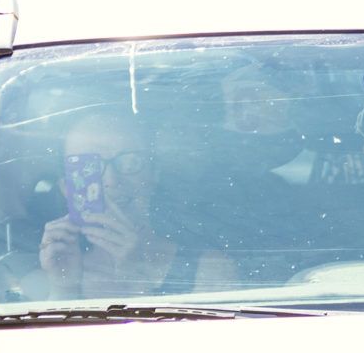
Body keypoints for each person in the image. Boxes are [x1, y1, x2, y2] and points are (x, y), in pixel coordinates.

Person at [29, 110, 236, 298]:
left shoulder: (208, 268)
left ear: (155, 174)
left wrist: (137, 281)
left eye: (131, 162)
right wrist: (64, 288)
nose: (111, 180)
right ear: (67, 188)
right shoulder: (44, 277)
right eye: (88, 167)